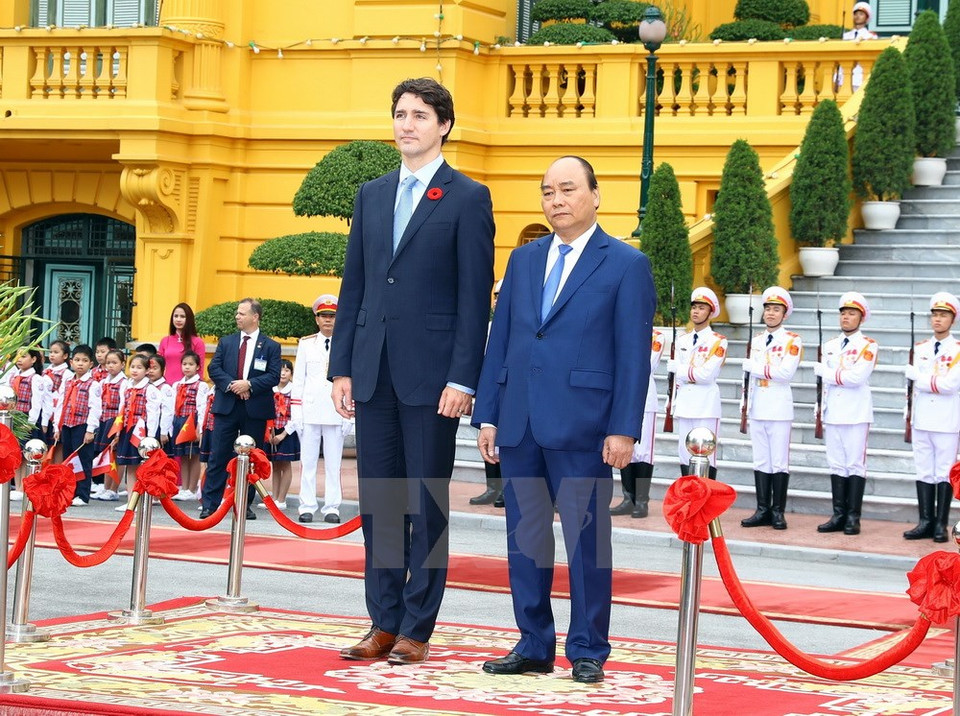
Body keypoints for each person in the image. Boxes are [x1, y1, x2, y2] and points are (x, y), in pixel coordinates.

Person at [331, 77, 495, 666]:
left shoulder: (467, 197)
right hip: (371, 373)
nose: (407, 124)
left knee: (425, 504)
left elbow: (476, 300)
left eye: (420, 115)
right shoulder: (371, 195)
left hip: (433, 383)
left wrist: (463, 379)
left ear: (444, 124)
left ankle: (417, 627)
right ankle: (382, 621)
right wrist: (341, 366)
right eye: (400, 114)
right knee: (380, 503)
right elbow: (357, 286)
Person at [473, 155, 655, 684]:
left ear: (596, 196)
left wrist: (624, 428)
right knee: (525, 540)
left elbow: (632, 354)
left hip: (586, 425)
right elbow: (500, 340)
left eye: (568, 189)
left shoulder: (624, 263)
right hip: (521, 421)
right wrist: (489, 414)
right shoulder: (525, 261)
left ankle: (589, 647)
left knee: (587, 544)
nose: (556, 200)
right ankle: (533, 644)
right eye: (547, 191)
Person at [201, 298, 281, 520]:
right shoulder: (226, 342)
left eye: (242, 313)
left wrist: (250, 385)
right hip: (227, 406)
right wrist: (235, 386)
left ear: (255, 317)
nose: (237, 316)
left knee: (251, 458)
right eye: (237, 313)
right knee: (218, 456)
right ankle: (210, 504)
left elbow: (273, 375)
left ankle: (244, 504)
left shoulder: (271, 346)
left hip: (254, 409)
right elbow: (214, 368)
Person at [813, 292, 878, 536]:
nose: (846, 317)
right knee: (837, 464)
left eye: (851, 314)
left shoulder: (868, 345)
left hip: (856, 412)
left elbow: (856, 378)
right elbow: (833, 383)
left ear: (861, 318)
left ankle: (853, 517)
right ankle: (838, 514)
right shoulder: (829, 346)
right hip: (834, 411)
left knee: (855, 464)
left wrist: (826, 373)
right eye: (843, 313)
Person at [741, 287, 802, 531]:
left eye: (776, 309)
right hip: (758, 405)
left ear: (784, 314)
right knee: (761, 460)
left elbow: (785, 373)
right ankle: (762, 508)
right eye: (767, 308)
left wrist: (754, 367)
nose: (770, 313)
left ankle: (778, 512)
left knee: (779, 462)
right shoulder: (756, 341)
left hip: (778, 406)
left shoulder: (792, 341)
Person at [904, 292, 960, 543]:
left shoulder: (957, 350)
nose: (938, 319)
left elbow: (950, 385)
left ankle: (941, 524)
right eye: (935, 315)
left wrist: (921, 379)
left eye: (944, 315)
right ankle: (925, 521)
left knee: (943, 472)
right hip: (922, 416)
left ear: (953, 320)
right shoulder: (920, 348)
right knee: (924, 470)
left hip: (947, 420)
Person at [291, 295, 351, 524]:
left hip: (337, 411)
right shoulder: (306, 344)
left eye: (332, 316)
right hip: (310, 411)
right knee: (308, 463)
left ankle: (332, 507)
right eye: (323, 316)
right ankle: (306, 506)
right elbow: (299, 381)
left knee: (334, 465)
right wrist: (296, 414)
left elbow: (350, 381)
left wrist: (349, 415)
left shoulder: (345, 344)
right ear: (316, 319)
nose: (328, 320)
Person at [670, 288, 726, 478]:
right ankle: (688, 500)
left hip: (705, 404)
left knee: (706, 451)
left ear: (710, 313)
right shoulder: (682, 340)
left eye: (701, 308)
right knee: (684, 453)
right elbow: (680, 377)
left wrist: (681, 369)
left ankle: (706, 502)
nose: (695, 311)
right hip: (685, 401)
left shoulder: (717, 341)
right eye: (694, 307)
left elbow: (706, 375)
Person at [611, 327, 663, 518]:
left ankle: (642, 500)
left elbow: (643, 363)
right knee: (628, 453)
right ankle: (628, 498)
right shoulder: (622, 331)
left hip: (645, 398)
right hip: (622, 396)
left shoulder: (656, 337)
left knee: (643, 452)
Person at [54, 344, 102, 506]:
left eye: (85, 360)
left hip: (82, 425)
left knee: (83, 459)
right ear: (71, 362)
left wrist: (90, 430)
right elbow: (61, 403)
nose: (80, 364)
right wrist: (57, 426)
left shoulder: (93, 384)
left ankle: (82, 494)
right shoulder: (67, 382)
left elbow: (95, 408)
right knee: (69, 460)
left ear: (91, 364)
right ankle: (70, 492)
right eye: (77, 360)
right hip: (67, 424)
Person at [470, 279, 504, 508]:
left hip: (513, 391)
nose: (498, 300)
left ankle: (507, 488)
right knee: (489, 440)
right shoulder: (486, 327)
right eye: (496, 295)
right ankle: (493, 487)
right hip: (490, 390)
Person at [171, 351, 209, 501]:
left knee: (194, 455)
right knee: (184, 456)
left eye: (191, 364)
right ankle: (184, 486)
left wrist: (199, 426)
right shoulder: (177, 385)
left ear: (198, 367)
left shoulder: (201, 385)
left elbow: (202, 406)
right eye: (184, 364)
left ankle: (192, 488)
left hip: (192, 421)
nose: (187, 367)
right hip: (179, 420)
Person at [92, 348, 127, 501]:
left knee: (116, 454)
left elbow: (123, 405)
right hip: (104, 418)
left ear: (123, 364)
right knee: (107, 453)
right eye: (108, 363)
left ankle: (114, 488)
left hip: (116, 419)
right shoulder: (104, 381)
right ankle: (106, 487)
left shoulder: (124, 382)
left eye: (114, 363)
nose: (110, 366)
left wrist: (119, 429)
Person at [265, 359, 300, 509]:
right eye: (280, 370)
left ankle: (282, 499)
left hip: (287, 431)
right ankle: (274, 498)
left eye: (286, 370)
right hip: (272, 430)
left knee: (285, 464)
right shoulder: (270, 390)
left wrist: (283, 435)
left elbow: (296, 416)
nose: (283, 373)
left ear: (291, 373)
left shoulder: (294, 391)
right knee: (275, 465)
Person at [158, 303, 207, 384]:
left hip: (188, 388)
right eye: (176, 316)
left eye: (182, 317)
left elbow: (200, 369)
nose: (178, 319)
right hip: (167, 388)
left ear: (189, 319)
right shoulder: (165, 341)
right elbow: (158, 366)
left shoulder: (198, 342)